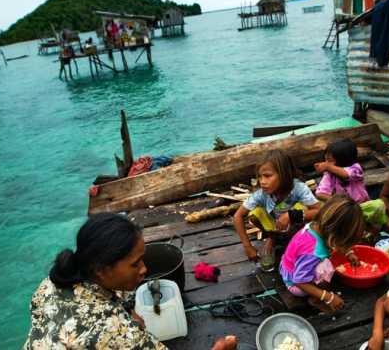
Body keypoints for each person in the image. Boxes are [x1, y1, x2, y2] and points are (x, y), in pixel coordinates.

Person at [24, 213, 237, 350]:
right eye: (135, 264)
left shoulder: (51, 284)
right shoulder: (118, 333)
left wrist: (126, 308)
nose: (144, 269)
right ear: (101, 269)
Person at [280, 195, 365, 313]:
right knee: (327, 270)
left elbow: (336, 240)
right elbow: (299, 281)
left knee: (325, 266)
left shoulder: (316, 225)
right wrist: (328, 297)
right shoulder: (314, 253)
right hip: (293, 282)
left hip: (291, 264)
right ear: (334, 235)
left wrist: (349, 253)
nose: (346, 246)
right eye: (345, 243)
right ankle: (315, 299)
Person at [234, 150, 320, 261]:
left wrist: (290, 215)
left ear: (284, 174)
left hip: (297, 226)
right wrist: (248, 247)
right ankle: (272, 238)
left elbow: (319, 211)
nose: (262, 182)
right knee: (254, 215)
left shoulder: (298, 188)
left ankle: (298, 240)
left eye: (267, 176)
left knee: (301, 207)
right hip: (276, 226)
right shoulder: (262, 194)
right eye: (260, 177)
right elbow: (238, 216)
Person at [315, 138, 369, 203]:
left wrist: (328, 166)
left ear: (344, 159)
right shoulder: (329, 174)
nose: (326, 162)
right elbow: (320, 193)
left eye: (330, 160)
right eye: (325, 159)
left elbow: (347, 175)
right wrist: (339, 203)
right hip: (345, 207)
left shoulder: (355, 168)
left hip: (362, 203)